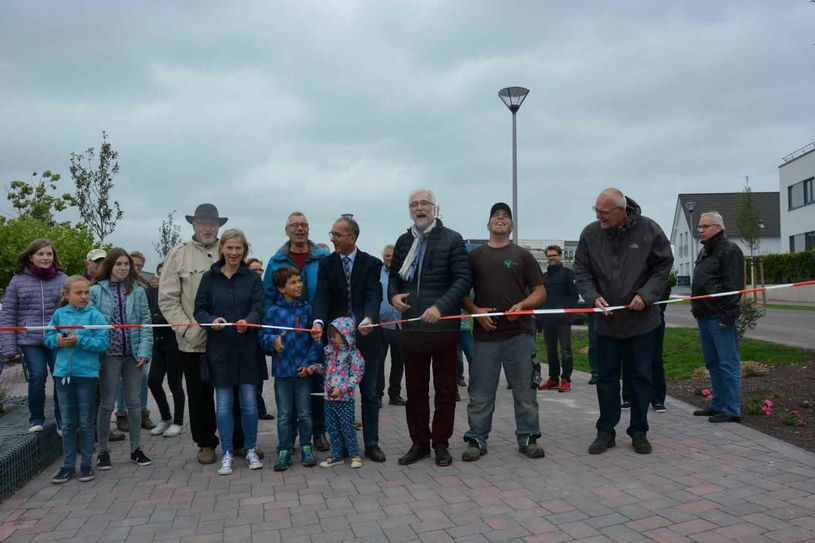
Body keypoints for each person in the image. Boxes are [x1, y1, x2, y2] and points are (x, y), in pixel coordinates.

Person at [574, 188, 672, 455]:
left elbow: (663, 266)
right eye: (596, 210)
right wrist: (592, 296)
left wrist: (647, 294)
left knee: (640, 376)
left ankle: (639, 432)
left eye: (603, 212)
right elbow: (581, 270)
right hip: (606, 321)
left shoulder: (649, 230)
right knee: (606, 378)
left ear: (622, 209)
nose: (598, 217)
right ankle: (605, 431)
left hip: (642, 321)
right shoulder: (590, 234)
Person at [160, 203, 249, 465]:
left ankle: (239, 442)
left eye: (212, 223)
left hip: (229, 341)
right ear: (193, 225)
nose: (207, 228)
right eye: (202, 223)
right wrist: (187, 329)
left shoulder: (230, 252)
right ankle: (206, 443)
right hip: (194, 342)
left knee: (233, 395)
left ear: (218, 226)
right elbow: (167, 299)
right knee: (200, 397)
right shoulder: (178, 255)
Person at [389, 189, 471, 467]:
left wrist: (441, 307)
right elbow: (394, 278)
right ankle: (420, 442)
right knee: (415, 391)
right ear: (409, 210)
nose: (419, 208)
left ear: (435, 207)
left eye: (424, 203)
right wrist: (394, 296)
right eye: (414, 204)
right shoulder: (403, 241)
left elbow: (462, 280)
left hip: (443, 329)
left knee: (446, 390)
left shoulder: (452, 239)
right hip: (412, 329)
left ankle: (441, 443)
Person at [461, 203, 547, 461]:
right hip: (485, 337)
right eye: (495, 216)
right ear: (488, 225)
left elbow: (540, 292)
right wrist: (476, 311)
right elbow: (462, 294)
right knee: (480, 392)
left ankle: (529, 437)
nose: (500, 219)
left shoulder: (523, 256)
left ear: (511, 225)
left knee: (525, 391)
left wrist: (524, 305)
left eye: (505, 216)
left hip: (519, 334)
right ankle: (476, 439)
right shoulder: (474, 257)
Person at [311, 216, 386, 463]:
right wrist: (319, 322)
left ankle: (372, 443)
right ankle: (340, 445)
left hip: (367, 338)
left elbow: (375, 294)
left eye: (336, 234)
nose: (332, 238)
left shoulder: (371, 263)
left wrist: (370, 318)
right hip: (336, 343)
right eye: (331, 234)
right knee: (337, 394)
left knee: (371, 393)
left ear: (352, 238)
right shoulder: (326, 264)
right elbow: (321, 297)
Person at [194, 229, 266, 475]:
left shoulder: (252, 279)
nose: (234, 253)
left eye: (239, 248)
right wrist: (211, 320)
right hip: (220, 352)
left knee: (249, 404)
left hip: (247, 352)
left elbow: (259, 308)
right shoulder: (209, 278)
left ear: (244, 251)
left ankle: (250, 449)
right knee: (223, 405)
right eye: (230, 248)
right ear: (221, 249)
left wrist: (249, 320)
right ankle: (226, 452)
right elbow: (199, 310)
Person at [263, 212, 330, 451]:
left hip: (317, 328)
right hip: (289, 335)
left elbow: (331, 290)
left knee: (318, 385)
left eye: (304, 225)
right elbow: (268, 297)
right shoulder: (276, 260)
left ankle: (319, 432)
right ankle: (289, 438)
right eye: (295, 225)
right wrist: (271, 332)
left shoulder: (323, 257)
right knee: (291, 394)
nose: (300, 229)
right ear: (287, 230)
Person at [90, 248, 154, 469]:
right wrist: (96, 354)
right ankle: (104, 451)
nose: (123, 268)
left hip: (133, 355)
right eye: (118, 264)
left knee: (135, 404)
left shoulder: (137, 291)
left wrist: (145, 351)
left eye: (126, 264)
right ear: (110, 265)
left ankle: (136, 448)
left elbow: (146, 323)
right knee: (106, 404)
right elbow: (91, 325)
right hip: (108, 355)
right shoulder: (96, 291)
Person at [45, 276, 109, 484]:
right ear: (66, 295)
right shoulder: (59, 314)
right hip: (62, 374)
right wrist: (56, 340)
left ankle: (86, 465)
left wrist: (79, 340)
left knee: (85, 421)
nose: (83, 297)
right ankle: (68, 466)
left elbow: (102, 343)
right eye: (78, 293)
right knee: (68, 422)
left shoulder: (95, 315)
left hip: (87, 375)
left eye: (86, 292)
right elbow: (46, 338)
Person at [259, 266, 322, 471]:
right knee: (285, 413)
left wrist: (308, 364)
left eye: (299, 281)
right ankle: (284, 449)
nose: (299, 285)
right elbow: (263, 336)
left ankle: (306, 446)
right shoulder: (273, 312)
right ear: (280, 288)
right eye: (293, 282)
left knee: (305, 412)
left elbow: (316, 341)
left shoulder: (308, 310)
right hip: (282, 372)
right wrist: (272, 342)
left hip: (304, 371)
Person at [0, 239, 67, 433]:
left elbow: (71, 310)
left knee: (61, 376)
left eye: (49, 254)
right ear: (31, 257)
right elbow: (8, 314)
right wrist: (9, 347)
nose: (46, 258)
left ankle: (61, 419)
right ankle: (36, 418)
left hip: (56, 338)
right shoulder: (17, 280)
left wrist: (69, 334)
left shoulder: (63, 279)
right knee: (37, 375)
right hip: (30, 340)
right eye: (41, 254)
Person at [691, 211, 745, 423]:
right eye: (699, 227)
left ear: (718, 228)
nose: (700, 230)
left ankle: (732, 409)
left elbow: (734, 286)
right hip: (704, 315)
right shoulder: (705, 251)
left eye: (705, 226)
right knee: (712, 363)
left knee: (728, 364)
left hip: (720, 317)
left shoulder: (730, 250)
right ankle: (717, 403)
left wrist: (728, 317)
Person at [114, 250, 155, 432]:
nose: (136, 268)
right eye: (134, 264)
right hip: (121, 341)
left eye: (139, 265)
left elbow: (148, 314)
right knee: (122, 380)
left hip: (140, 340)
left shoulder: (144, 286)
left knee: (144, 378)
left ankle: (142, 413)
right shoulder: (113, 286)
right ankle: (122, 415)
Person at [317, 317, 365, 469]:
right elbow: (326, 370)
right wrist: (316, 368)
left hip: (344, 400)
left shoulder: (353, 354)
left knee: (347, 428)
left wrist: (342, 389)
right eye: (330, 336)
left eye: (335, 335)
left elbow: (356, 375)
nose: (332, 339)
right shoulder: (330, 352)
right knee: (332, 428)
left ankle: (355, 455)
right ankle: (337, 455)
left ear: (346, 335)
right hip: (328, 399)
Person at [147, 261, 185, 437]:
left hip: (175, 345)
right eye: (160, 273)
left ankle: (178, 422)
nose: (163, 276)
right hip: (158, 344)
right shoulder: (152, 293)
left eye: (166, 273)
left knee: (174, 384)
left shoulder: (178, 294)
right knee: (153, 382)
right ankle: (165, 417)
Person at [537, 245, 579, 393]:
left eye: (554, 255)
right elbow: (541, 299)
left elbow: (574, 296)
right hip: (548, 321)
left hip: (563, 320)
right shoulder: (544, 276)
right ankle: (553, 379)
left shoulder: (568, 274)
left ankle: (566, 379)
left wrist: (568, 314)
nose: (551, 258)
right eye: (549, 256)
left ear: (560, 256)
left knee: (566, 350)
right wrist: (539, 320)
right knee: (550, 351)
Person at [378, 244, 406, 406]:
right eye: (387, 256)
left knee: (398, 362)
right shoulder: (377, 274)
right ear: (383, 257)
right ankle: (378, 395)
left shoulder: (402, 274)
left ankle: (394, 394)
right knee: (379, 362)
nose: (390, 259)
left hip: (401, 324)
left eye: (393, 256)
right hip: (382, 325)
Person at [246, 257, 273, 420]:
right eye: (254, 270)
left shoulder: (264, 288)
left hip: (260, 339)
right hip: (247, 335)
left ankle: (260, 408)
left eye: (260, 270)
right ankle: (253, 408)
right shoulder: (245, 288)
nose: (258, 272)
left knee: (259, 375)